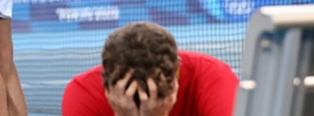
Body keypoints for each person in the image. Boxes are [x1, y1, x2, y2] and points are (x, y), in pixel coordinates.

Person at [62, 22, 239, 116]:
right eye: (130, 98)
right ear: (105, 80)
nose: (145, 106)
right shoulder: (83, 92)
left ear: (177, 69)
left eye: (157, 94)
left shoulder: (215, 79)